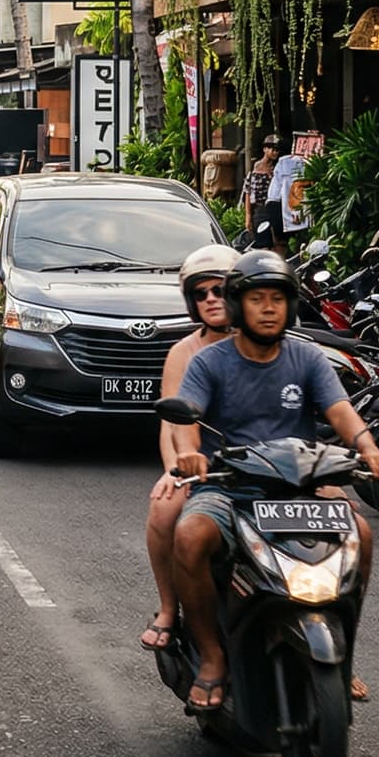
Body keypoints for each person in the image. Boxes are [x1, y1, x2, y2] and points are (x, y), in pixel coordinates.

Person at [168, 250, 379, 713]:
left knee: (363, 537)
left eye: (277, 298)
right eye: (257, 299)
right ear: (237, 306)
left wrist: (369, 447)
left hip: (299, 488)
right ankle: (212, 657)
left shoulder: (308, 358)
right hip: (230, 488)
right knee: (190, 536)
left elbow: (341, 413)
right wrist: (191, 453)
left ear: (290, 306)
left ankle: (342, 654)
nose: (268, 307)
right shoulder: (210, 363)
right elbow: (186, 416)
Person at [139, 244, 238, 655]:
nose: (212, 299)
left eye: (221, 290)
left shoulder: (275, 345)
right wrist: (176, 468)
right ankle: (168, 607)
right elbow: (174, 423)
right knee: (164, 508)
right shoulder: (184, 353)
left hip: (270, 467)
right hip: (206, 467)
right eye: (203, 293)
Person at [241, 135, 280, 246]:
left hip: (274, 209)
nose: (275, 152)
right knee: (262, 241)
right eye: (272, 149)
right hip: (259, 210)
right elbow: (248, 191)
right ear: (265, 149)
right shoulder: (255, 168)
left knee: (276, 241)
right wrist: (248, 215)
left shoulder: (277, 169)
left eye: (277, 150)